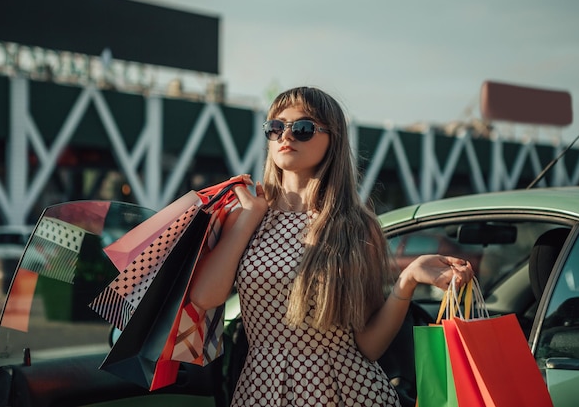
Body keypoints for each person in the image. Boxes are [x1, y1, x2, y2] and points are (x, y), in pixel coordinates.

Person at [189, 86, 473, 406]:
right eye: (276, 127)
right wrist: (252, 215)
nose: (286, 136)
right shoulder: (247, 215)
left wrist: (406, 281)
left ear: (333, 139)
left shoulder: (355, 225)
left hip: (344, 389)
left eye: (303, 128)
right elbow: (204, 297)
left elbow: (368, 347)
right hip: (261, 386)